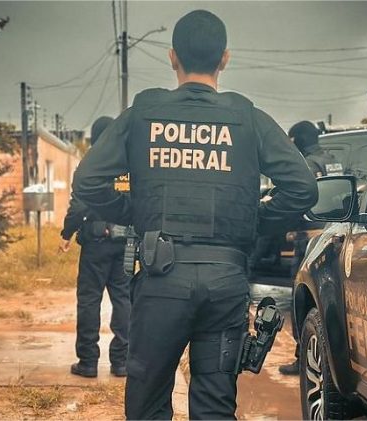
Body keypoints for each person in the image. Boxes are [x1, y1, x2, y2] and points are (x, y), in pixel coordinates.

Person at [73, 10, 317, 420]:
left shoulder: (143, 114)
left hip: (160, 280)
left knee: (147, 404)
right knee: (215, 407)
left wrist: (136, 213)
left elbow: (87, 181)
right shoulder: (248, 118)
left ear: (172, 57)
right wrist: (251, 222)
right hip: (225, 282)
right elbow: (303, 189)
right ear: (225, 58)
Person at [59, 116, 130, 378]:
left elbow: (78, 205)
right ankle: (121, 362)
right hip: (125, 243)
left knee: (89, 301)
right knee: (124, 300)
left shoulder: (93, 166)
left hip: (96, 244)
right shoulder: (129, 167)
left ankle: (88, 362)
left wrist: (67, 233)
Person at [279, 120, 342, 376]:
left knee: (302, 298)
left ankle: (303, 357)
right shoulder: (332, 161)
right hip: (333, 235)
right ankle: (331, 359)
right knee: (328, 299)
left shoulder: (307, 164)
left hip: (310, 238)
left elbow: (300, 197)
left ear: (300, 140)